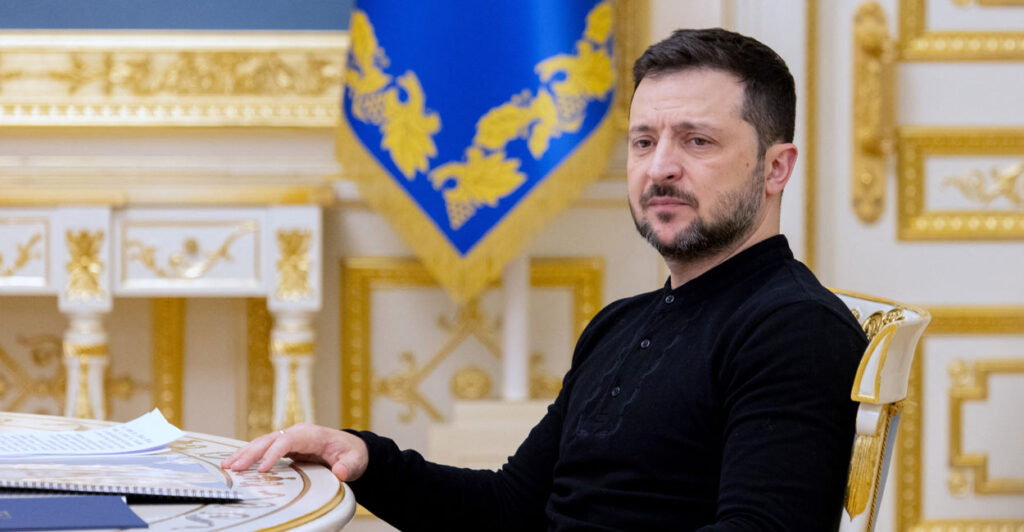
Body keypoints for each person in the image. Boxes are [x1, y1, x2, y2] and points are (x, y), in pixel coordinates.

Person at [223, 28, 867, 531]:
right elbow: (510, 510)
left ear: (776, 167)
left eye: (697, 141)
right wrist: (364, 459)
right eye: (643, 142)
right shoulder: (621, 322)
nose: (660, 167)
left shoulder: (793, 328)